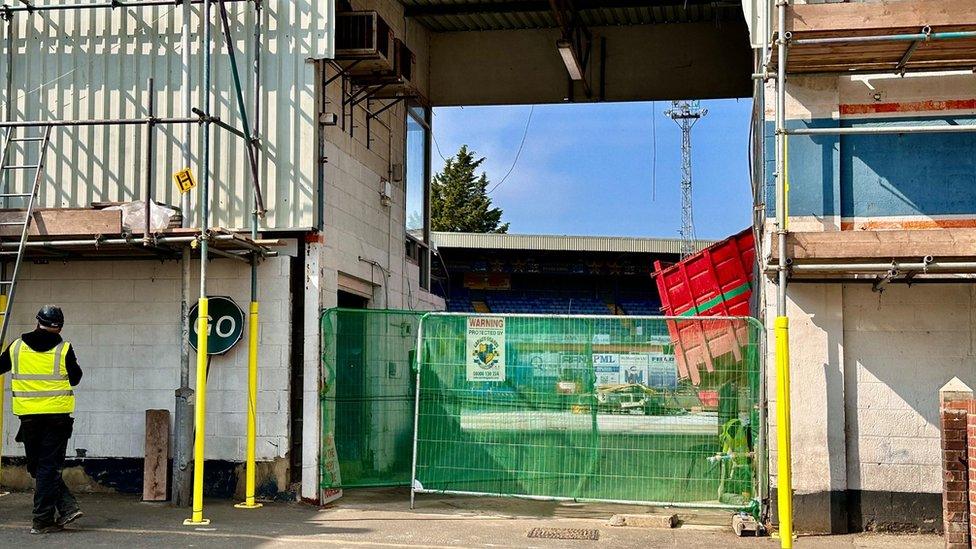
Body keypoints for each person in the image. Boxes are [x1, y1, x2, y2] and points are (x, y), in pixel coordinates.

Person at [0, 305, 83, 534]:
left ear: (37, 322)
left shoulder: (16, 347)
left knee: (40, 467)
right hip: (57, 417)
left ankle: (53, 513)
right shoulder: (64, 349)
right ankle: (53, 514)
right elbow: (76, 378)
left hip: (29, 417)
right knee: (45, 467)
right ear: (60, 327)